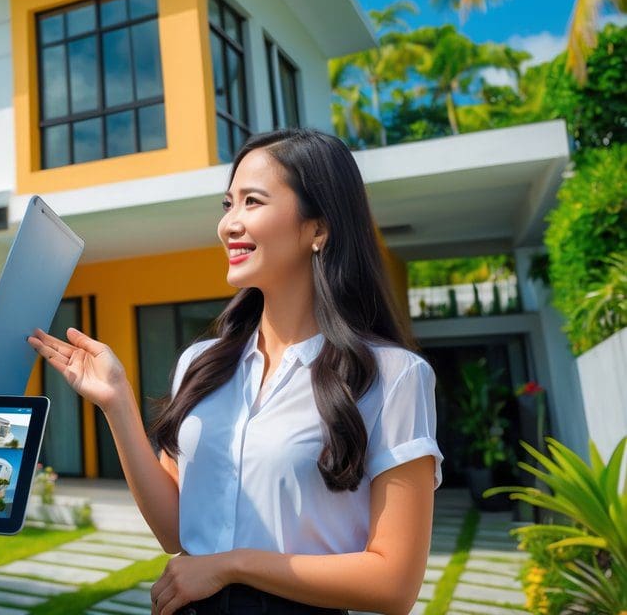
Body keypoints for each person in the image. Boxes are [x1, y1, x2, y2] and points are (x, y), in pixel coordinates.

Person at [30, 128, 441, 615]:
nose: (229, 224)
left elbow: (393, 583)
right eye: (228, 204)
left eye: (252, 202)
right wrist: (116, 404)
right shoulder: (200, 365)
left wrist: (231, 565)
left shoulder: (393, 376)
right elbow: (176, 530)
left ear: (319, 228)